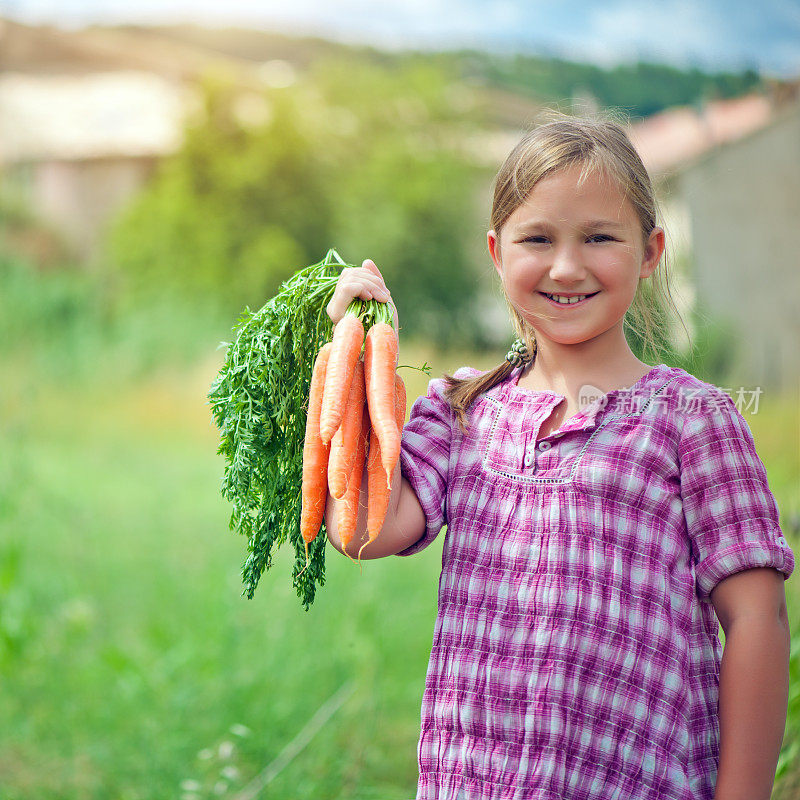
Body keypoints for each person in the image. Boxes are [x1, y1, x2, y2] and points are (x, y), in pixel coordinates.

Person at [323, 110, 795, 800]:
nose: (567, 266)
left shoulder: (692, 420)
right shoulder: (460, 411)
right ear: (496, 252)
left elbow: (756, 620)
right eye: (537, 238)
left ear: (651, 250)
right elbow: (363, 530)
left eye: (600, 237)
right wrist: (358, 355)